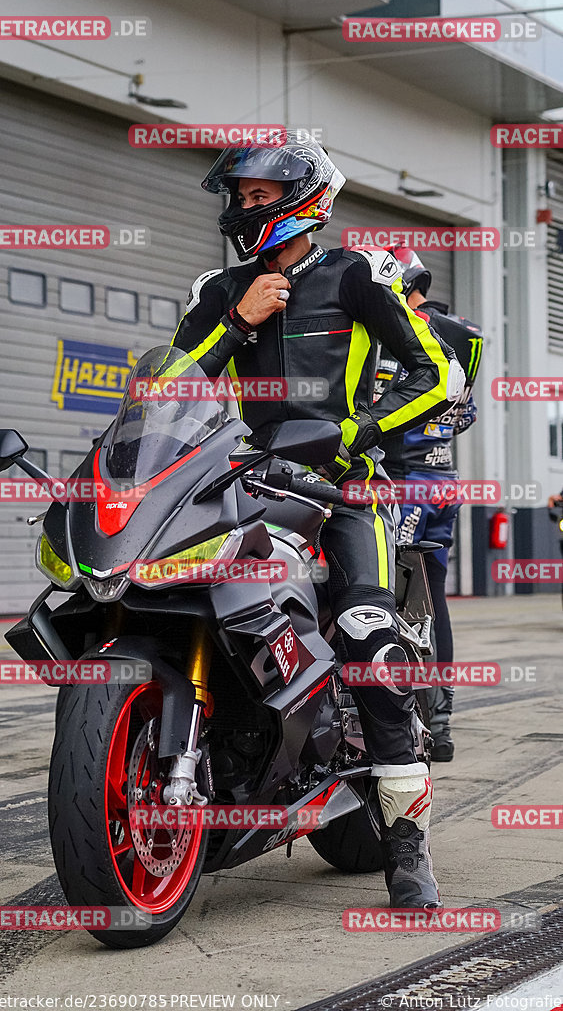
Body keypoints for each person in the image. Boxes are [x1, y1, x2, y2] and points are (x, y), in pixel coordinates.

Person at [171, 134, 465, 908]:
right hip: (245, 485)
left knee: (367, 631)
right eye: (236, 195)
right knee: (183, 600)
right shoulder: (219, 287)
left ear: (305, 200)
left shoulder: (355, 275)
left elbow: (436, 372)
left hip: (345, 494)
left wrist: (358, 430)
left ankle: (408, 854)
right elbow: (171, 389)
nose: (240, 207)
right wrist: (236, 319)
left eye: (257, 195)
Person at [374, 247, 482, 762]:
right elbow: (468, 412)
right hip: (442, 483)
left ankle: (407, 721)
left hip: (403, 486)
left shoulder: (398, 336)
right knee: (433, 600)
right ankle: (440, 723)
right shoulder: (455, 339)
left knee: (387, 602)